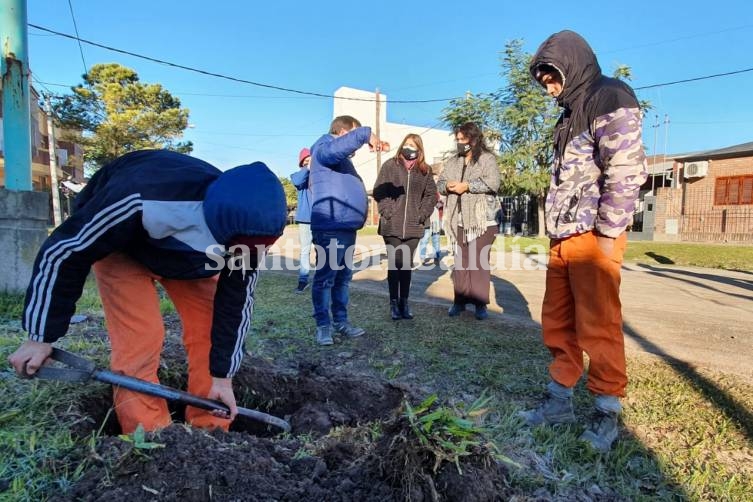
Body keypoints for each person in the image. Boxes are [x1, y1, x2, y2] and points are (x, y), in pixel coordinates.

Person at [7, 150, 287, 434]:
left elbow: (234, 307)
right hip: (121, 249)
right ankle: (150, 437)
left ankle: (211, 431)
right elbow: (65, 251)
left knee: (209, 327)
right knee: (140, 338)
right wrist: (40, 337)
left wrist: (223, 378)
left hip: (191, 263)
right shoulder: (139, 195)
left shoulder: (248, 241)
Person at [519, 30, 649, 453]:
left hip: (595, 234)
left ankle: (607, 410)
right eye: (543, 82)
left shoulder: (610, 96)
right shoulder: (569, 112)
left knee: (599, 324)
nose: (549, 87)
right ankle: (559, 401)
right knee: (557, 322)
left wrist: (610, 232)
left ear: (572, 65)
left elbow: (626, 169)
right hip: (563, 236)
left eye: (552, 78)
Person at [309, 115, 388, 345]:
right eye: (352, 136)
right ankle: (323, 326)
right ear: (344, 133)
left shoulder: (342, 160)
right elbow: (331, 152)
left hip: (345, 226)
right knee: (326, 279)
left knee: (342, 278)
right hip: (331, 225)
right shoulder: (323, 147)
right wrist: (365, 134)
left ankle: (341, 322)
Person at [437, 122, 500, 321]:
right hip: (457, 218)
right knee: (460, 262)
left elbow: (493, 183)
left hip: (482, 220)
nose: (459, 143)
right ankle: (460, 300)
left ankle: (480, 304)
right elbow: (440, 184)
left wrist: (467, 186)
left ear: (473, 140)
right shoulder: (453, 161)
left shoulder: (487, 159)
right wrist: (447, 185)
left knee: (478, 262)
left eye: (463, 140)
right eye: (457, 140)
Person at [373, 134, 437, 320]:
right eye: (407, 145)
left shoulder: (424, 170)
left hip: (413, 226)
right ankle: (393, 303)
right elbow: (379, 190)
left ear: (420, 149)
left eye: (414, 146)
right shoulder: (390, 165)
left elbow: (431, 195)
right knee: (395, 265)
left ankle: (404, 302)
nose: (410, 149)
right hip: (391, 224)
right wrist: (388, 210)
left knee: (406, 266)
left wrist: (421, 214)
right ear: (402, 145)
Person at [290, 147, 313, 293]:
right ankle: (303, 280)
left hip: (322, 219)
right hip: (305, 219)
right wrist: (308, 168)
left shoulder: (321, 175)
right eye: (305, 160)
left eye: (311, 159)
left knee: (324, 250)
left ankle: (323, 280)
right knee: (305, 251)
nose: (308, 162)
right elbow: (297, 181)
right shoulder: (299, 176)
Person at [417, 183, 443, 267]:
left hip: (435, 219)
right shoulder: (422, 193)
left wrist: (436, 204)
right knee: (424, 239)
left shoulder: (436, 193)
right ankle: (422, 258)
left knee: (436, 239)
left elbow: (441, 204)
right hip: (426, 220)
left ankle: (437, 257)